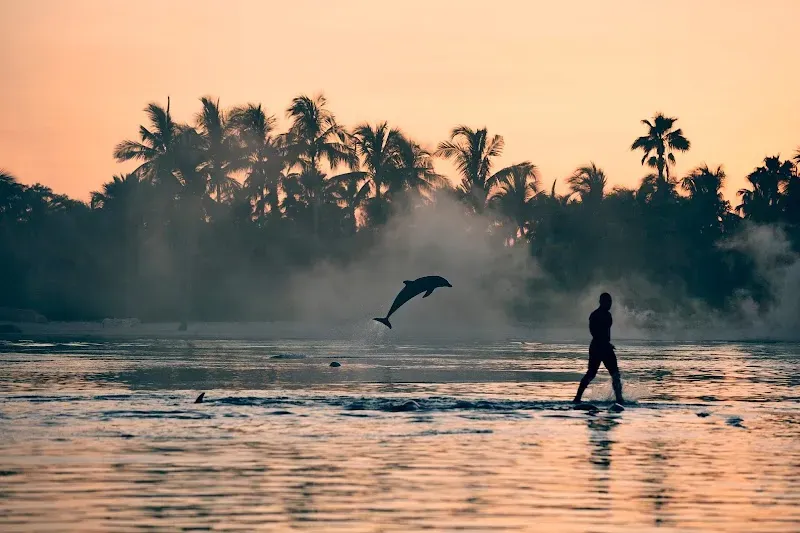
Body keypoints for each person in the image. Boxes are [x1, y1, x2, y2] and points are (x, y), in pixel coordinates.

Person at [573, 292, 624, 404]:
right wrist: (604, 343)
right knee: (594, 373)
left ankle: (619, 398)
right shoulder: (595, 315)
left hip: (603, 347)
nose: (610, 304)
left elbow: (604, 332)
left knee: (614, 374)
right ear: (602, 302)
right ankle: (577, 397)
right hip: (599, 347)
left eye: (610, 302)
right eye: (608, 302)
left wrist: (607, 343)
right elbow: (594, 332)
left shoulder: (607, 315)